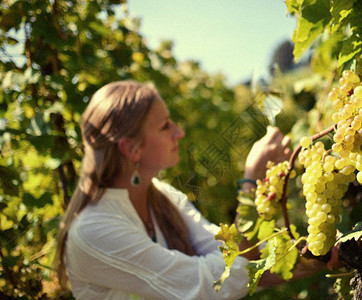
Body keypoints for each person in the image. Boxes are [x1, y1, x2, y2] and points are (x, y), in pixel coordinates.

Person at [54, 80, 331, 299]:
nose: (179, 132)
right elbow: (213, 284)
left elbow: (235, 261)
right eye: (165, 126)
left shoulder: (162, 196)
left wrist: (326, 255)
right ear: (131, 148)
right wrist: (251, 185)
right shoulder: (94, 231)